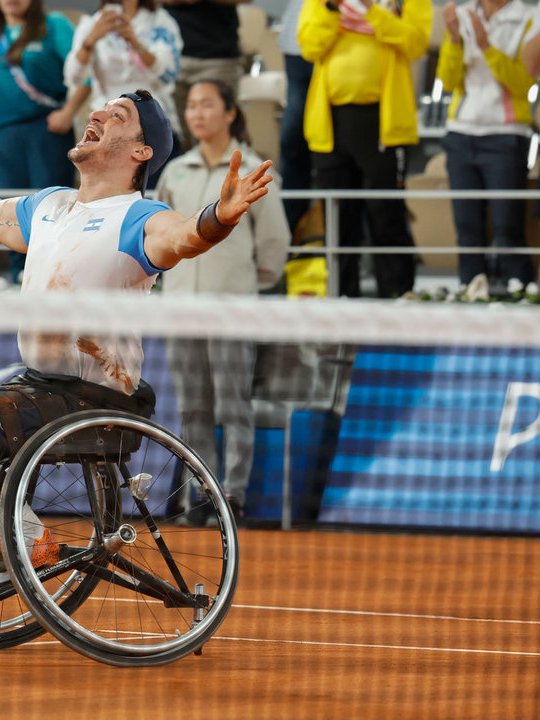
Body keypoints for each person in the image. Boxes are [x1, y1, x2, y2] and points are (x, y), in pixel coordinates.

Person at [0, 89, 273, 587]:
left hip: (97, 397)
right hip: (39, 386)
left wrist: (219, 216)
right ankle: (16, 533)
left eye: (118, 115)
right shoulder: (49, 206)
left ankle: (19, 539)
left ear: (141, 151)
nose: (99, 114)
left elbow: (186, 236)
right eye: (102, 109)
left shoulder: (139, 217)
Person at [155, 79, 289, 525]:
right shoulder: (174, 173)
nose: (198, 113)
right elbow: (162, 240)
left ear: (230, 112)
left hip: (232, 310)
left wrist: (245, 284)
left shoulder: (253, 171)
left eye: (208, 104)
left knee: (234, 404)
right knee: (193, 406)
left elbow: (273, 244)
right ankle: (199, 492)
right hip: (180, 311)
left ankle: (232, 495)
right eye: (191, 105)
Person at [298, 0, 430, 298]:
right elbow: (309, 46)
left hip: (383, 123)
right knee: (339, 219)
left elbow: (416, 43)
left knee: (386, 215)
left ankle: (397, 297)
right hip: (332, 123)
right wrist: (333, 9)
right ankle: (342, 298)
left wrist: (371, 11)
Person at [0, 0, 86, 283]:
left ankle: (54, 276)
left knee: (50, 206)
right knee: (12, 208)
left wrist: (68, 112)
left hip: (46, 132)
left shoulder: (53, 25)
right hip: (6, 136)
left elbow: (82, 73)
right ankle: (19, 274)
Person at [437, 0, 536, 293]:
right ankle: (471, 290)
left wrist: (485, 45)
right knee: (466, 226)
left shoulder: (531, 17)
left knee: (508, 225)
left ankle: (518, 291)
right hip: (461, 132)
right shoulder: (463, 13)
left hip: (505, 134)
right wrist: (455, 39)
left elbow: (523, 82)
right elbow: (447, 78)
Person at [63, 0, 183, 188]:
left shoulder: (161, 22)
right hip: (106, 128)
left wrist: (135, 42)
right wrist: (90, 41)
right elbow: (74, 77)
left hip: (150, 123)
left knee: (149, 198)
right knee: (105, 195)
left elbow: (167, 75)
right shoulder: (93, 23)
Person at [160, 0, 250, 152]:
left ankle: (239, 173)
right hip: (171, 55)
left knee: (223, 133)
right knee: (181, 138)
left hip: (218, 56)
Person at [277, 0, 314, 233]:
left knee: (347, 152)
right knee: (292, 141)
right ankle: (289, 237)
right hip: (299, 45)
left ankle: (355, 248)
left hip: (352, 42)